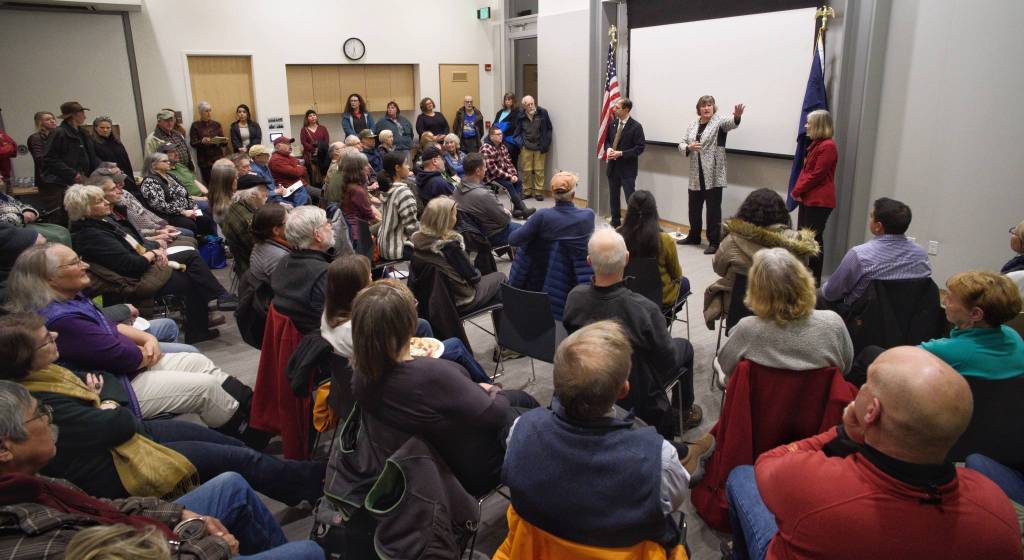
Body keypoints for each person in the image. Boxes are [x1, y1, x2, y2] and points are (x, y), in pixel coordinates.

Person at [725, 346, 1022, 560]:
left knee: (741, 476)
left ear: (871, 412)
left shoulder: (810, 485)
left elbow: (768, 463)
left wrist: (841, 434)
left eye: (867, 383)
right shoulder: (997, 509)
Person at [0, 315, 324, 505]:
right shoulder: (38, 395)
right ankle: (315, 483)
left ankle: (292, 472)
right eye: (45, 338)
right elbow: (116, 421)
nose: (55, 335)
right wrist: (105, 403)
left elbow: (106, 387)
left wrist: (102, 403)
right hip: (119, 462)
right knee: (237, 458)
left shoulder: (52, 371)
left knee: (234, 447)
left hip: (131, 432)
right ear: (22, 357)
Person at [0, 381, 325, 559]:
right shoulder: (19, 537)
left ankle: (309, 483)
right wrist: (212, 547)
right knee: (308, 551)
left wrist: (178, 515)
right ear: (4, 449)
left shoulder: (35, 483)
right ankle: (317, 480)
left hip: (130, 460)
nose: (49, 417)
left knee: (231, 481)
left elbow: (102, 507)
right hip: (127, 474)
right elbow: (118, 417)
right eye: (40, 414)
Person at [502, 321, 707, 551]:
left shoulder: (519, 431)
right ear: (623, 390)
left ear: (556, 379)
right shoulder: (658, 460)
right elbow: (672, 504)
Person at [4, 246, 242, 425]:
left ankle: (250, 409)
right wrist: (144, 354)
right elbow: (124, 358)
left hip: (125, 368)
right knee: (205, 388)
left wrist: (148, 341)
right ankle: (246, 430)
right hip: (117, 386)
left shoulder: (69, 297)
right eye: (75, 262)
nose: (85, 265)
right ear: (50, 278)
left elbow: (108, 325)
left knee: (195, 361)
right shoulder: (61, 319)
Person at [349, 280, 539, 496]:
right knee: (528, 407)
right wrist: (491, 390)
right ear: (407, 321)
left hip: (424, 469)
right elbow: (495, 414)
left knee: (519, 400)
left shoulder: (361, 377)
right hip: (470, 470)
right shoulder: (431, 374)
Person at [563, 228, 699, 437]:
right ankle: (683, 413)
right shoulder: (645, 310)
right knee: (685, 348)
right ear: (626, 259)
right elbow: (668, 360)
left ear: (589, 261)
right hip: (641, 391)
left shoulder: (574, 299)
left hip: (592, 380)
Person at [64, 186, 234, 341]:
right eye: (100, 201)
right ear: (85, 209)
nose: (107, 203)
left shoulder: (103, 223)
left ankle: (214, 307)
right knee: (189, 273)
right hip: (131, 279)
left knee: (191, 261)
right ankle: (216, 303)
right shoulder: (90, 235)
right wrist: (154, 253)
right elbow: (131, 265)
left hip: (142, 263)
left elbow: (138, 243)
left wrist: (155, 248)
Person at [320, 255, 492, 383]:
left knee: (422, 325)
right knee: (455, 346)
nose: (372, 278)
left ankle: (442, 370)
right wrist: (404, 311)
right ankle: (483, 385)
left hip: (363, 365)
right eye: (369, 277)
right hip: (386, 375)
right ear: (356, 288)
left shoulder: (331, 312)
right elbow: (391, 356)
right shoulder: (361, 326)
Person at [716, 247, 853, 380]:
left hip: (762, 403)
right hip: (819, 402)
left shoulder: (747, 329)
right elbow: (846, 367)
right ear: (804, 281)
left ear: (757, 291)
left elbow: (725, 365)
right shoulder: (833, 324)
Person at [704, 188, 818, 329]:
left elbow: (718, 268)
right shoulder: (797, 242)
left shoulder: (732, 239)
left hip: (738, 309)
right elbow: (803, 272)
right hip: (784, 309)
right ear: (782, 213)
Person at [819, 197, 931, 311]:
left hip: (861, 319)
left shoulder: (859, 255)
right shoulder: (921, 255)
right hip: (906, 318)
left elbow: (831, 293)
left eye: (871, 216)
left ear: (878, 226)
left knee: (819, 295)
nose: (870, 219)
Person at [918, 270, 1024, 380]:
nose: (944, 301)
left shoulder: (944, 350)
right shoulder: (1013, 336)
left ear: (975, 314)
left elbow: (900, 362)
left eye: (950, 298)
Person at [412, 196, 506, 313]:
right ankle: (505, 327)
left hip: (433, 299)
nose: (456, 218)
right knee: (500, 277)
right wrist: (475, 269)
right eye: (455, 215)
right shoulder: (449, 246)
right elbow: (474, 277)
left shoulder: (417, 240)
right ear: (446, 220)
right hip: (461, 299)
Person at [677, 95, 745, 254]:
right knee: (693, 208)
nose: (707, 108)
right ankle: (694, 236)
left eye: (710, 105)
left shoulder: (719, 122)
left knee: (713, 210)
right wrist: (688, 147)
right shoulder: (692, 124)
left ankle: (714, 242)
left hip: (713, 174)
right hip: (696, 174)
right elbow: (681, 143)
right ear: (698, 109)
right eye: (703, 105)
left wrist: (737, 117)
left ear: (714, 107)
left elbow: (732, 124)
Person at [271, 206, 335, 334]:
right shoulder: (323, 274)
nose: (331, 226)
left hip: (300, 343)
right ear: (318, 235)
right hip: (321, 343)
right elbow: (337, 319)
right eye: (327, 223)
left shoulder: (283, 262)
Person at [791, 109, 838, 282]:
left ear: (818, 125)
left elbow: (816, 175)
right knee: (804, 237)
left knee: (813, 239)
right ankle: (804, 274)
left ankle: (815, 278)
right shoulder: (817, 144)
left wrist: (796, 190)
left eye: (809, 123)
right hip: (809, 198)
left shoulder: (828, 146)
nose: (806, 126)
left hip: (819, 200)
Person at [86, 173, 187, 251]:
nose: (120, 190)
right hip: (145, 248)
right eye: (114, 188)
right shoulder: (105, 221)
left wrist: (159, 231)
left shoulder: (118, 209)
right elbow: (130, 245)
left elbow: (136, 228)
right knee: (188, 239)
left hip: (147, 241)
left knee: (188, 239)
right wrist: (156, 240)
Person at [618, 190, 681, 308]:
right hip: (659, 299)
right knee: (685, 283)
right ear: (654, 211)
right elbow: (677, 274)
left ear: (629, 211)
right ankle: (663, 322)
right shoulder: (664, 240)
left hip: (626, 295)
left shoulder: (617, 236)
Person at [40, 101, 99, 212]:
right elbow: (49, 158)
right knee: (67, 212)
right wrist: (72, 173)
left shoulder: (82, 132)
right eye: (82, 113)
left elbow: (91, 155)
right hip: (61, 183)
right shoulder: (59, 133)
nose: (84, 116)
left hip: (81, 178)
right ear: (74, 115)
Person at [453, 153, 523, 247]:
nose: (486, 169)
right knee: (524, 230)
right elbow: (505, 220)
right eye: (485, 167)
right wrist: (504, 212)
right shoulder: (484, 194)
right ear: (478, 171)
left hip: (469, 235)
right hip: (489, 236)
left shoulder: (456, 189)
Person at [139, 151, 215, 236]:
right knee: (190, 224)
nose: (168, 162)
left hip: (187, 209)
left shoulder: (171, 176)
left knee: (205, 218)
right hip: (170, 215)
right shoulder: (150, 182)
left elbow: (186, 194)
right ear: (154, 165)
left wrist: (193, 207)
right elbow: (159, 205)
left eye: (168, 160)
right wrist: (182, 212)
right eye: (164, 161)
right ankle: (200, 244)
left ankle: (213, 244)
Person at [604, 98, 646, 228]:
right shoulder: (613, 124)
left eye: (617, 107)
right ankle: (615, 220)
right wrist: (609, 149)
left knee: (630, 198)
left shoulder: (636, 126)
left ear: (626, 109)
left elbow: (640, 148)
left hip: (627, 169)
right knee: (614, 196)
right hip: (613, 167)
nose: (614, 109)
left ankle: (633, 223)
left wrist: (621, 153)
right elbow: (607, 141)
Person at [376, 152, 419, 260]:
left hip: (384, 245)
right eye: (406, 164)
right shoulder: (403, 192)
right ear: (397, 168)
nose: (409, 166)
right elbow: (412, 228)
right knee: (437, 252)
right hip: (397, 248)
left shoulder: (387, 188)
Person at [513, 95, 553, 201]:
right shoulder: (520, 115)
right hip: (526, 147)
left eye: (532, 103)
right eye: (528, 105)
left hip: (540, 147)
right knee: (526, 171)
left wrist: (546, 143)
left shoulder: (543, 113)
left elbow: (549, 129)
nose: (531, 106)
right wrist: (520, 144)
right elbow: (517, 131)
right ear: (524, 106)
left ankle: (539, 192)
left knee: (539, 170)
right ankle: (527, 192)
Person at [339, 151, 380, 251]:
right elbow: (370, 216)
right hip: (358, 234)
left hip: (353, 229)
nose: (369, 167)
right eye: (366, 165)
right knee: (389, 225)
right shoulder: (357, 190)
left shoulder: (351, 185)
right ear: (358, 170)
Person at [221, 187, 267, 277]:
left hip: (242, 261)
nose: (266, 197)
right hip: (255, 270)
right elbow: (261, 252)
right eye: (264, 195)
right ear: (253, 197)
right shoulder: (250, 221)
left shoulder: (235, 205)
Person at [0, 188, 71, 245]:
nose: (1, 176)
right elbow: (3, 224)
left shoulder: (2, 195)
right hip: (9, 232)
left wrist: (28, 210)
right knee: (57, 237)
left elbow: (20, 204)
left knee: (63, 231)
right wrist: (21, 217)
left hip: (23, 224)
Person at [480, 127, 526, 207]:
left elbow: (509, 163)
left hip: (501, 175)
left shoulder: (503, 147)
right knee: (509, 184)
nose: (501, 136)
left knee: (518, 182)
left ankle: (517, 209)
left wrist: (513, 174)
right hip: (490, 177)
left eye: (501, 134)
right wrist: (509, 177)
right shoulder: (486, 148)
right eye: (498, 134)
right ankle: (522, 208)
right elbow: (493, 170)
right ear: (491, 137)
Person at [248, 202, 290, 287]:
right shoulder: (280, 257)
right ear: (276, 230)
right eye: (288, 221)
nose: (292, 223)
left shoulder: (260, 242)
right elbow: (290, 289)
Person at [90, 116, 136, 191]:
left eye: (108, 128)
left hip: (125, 176)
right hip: (108, 179)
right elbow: (96, 163)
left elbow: (126, 161)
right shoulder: (92, 143)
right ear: (95, 128)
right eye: (102, 128)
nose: (105, 130)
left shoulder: (116, 142)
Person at [156, 142, 208, 209]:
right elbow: (179, 195)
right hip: (189, 201)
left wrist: (208, 194)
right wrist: (203, 199)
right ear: (163, 156)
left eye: (176, 151)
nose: (177, 154)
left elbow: (194, 181)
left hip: (202, 197)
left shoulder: (180, 166)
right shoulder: (165, 173)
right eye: (172, 152)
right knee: (211, 207)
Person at [267, 136, 313, 206]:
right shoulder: (276, 160)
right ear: (278, 146)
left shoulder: (288, 156)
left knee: (321, 194)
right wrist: (299, 168)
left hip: (299, 184)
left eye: (290, 144)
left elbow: (300, 168)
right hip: (290, 187)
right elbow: (296, 172)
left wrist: (298, 168)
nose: (290, 146)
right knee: (320, 194)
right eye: (287, 144)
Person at [189, 101, 226, 183]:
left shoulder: (216, 124)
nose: (209, 113)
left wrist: (220, 140)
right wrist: (202, 142)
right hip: (205, 161)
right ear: (201, 113)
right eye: (206, 111)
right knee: (210, 183)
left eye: (210, 110)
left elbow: (224, 142)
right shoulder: (195, 125)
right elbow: (193, 143)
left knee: (221, 182)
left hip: (218, 158)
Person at [27, 110, 58, 185]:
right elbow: (39, 159)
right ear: (40, 123)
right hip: (47, 178)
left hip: (60, 177)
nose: (52, 121)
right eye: (47, 119)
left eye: (53, 118)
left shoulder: (56, 136)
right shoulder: (35, 138)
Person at [299, 109, 328, 184]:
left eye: (314, 115)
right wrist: (314, 150)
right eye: (310, 116)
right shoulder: (304, 130)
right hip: (310, 155)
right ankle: (314, 188)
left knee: (324, 174)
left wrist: (320, 149)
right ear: (307, 118)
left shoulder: (323, 128)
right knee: (313, 175)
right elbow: (304, 143)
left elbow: (326, 141)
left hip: (322, 154)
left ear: (316, 117)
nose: (312, 117)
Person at [493, 92, 521, 168]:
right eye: (506, 99)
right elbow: (494, 125)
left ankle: (514, 178)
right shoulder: (500, 112)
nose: (507, 101)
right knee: (500, 164)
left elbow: (514, 126)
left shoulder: (517, 112)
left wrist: (500, 127)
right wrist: (502, 127)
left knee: (512, 164)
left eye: (509, 99)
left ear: (513, 101)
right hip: (498, 141)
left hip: (510, 141)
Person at [206, 158, 238, 225]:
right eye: (235, 177)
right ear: (227, 181)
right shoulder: (228, 206)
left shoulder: (217, 198)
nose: (237, 179)